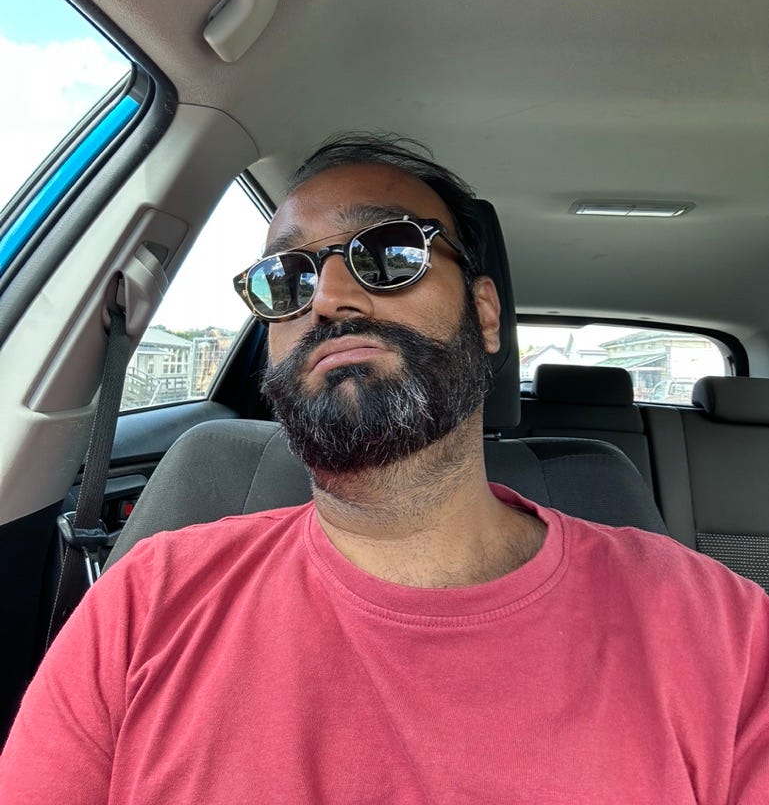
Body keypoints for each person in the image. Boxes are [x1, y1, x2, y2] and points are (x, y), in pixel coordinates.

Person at [2, 134, 768, 803]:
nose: (329, 298)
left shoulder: (723, 634)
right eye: (286, 279)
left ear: (486, 313)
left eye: (390, 254)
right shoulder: (144, 605)